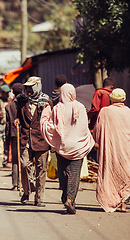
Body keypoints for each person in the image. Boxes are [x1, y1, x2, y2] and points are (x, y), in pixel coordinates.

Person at [40, 83, 94, 214]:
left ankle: (66, 197)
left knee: (64, 174)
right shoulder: (80, 107)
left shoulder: (57, 108)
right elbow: (83, 128)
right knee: (74, 175)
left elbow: (52, 127)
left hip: (62, 146)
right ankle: (69, 200)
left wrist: (46, 112)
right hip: (78, 147)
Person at [15, 76, 53, 207]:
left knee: (41, 170)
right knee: (25, 165)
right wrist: (17, 120)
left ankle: (39, 198)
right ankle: (27, 190)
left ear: (37, 86)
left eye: (31, 87)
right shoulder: (22, 100)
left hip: (41, 140)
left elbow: (51, 121)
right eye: (27, 87)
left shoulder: (46, 101)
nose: (28, 90)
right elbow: (18, 116)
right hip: (26, 139)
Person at [93, 88, 130, 213]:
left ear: (111, 99)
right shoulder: (128, 112)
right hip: (126, 149)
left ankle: (111, 201)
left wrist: (96, 142)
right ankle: (123, 204)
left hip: (110, 148)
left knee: (111, 173)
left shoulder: (105, 111)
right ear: (124, 99)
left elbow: (97, 128)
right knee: (124, 175)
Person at [5, 83, 24, 190]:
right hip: (23, 135)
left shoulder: (9, 106)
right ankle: (25, 183)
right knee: (24, 159)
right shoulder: (25, 104)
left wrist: (7, 141)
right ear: (22, 92)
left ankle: (15, 183)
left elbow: (7, 125)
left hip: (13, 135)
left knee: (15, 160)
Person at [50, 74, 67, 190]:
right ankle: (68, 182)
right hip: (67, 129)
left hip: (56, 129)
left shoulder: (51, 99)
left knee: (59, 156)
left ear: (55, 84)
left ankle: (61, 182)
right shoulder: (68, 98)